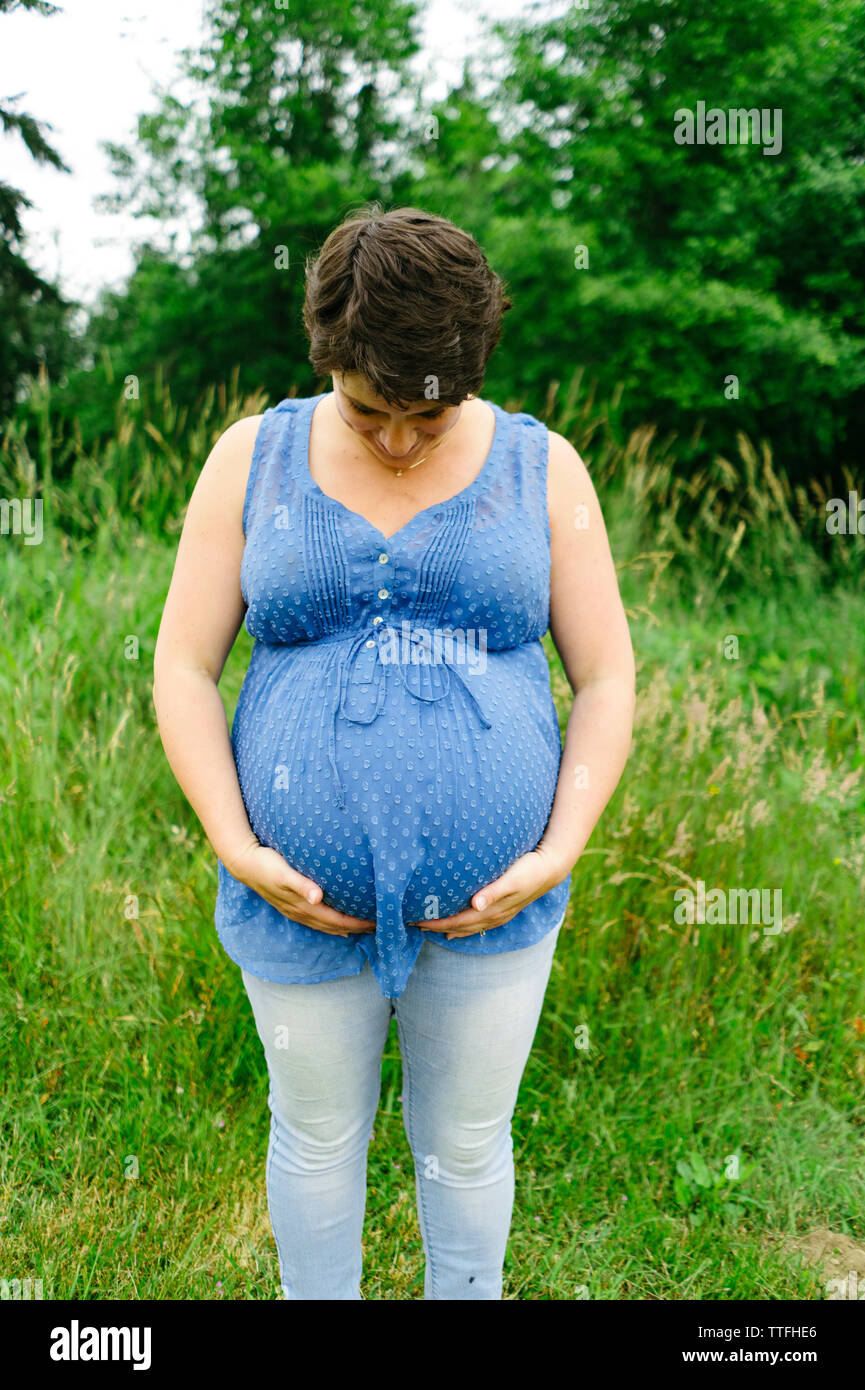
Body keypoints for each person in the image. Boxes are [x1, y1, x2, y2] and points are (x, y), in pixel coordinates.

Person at [152, 205, 635, 1299]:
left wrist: (559, 848)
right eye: (372, 410)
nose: (404, 440)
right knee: (317, 1139)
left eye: (434, 411)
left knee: (466, 1145)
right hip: (296, 900)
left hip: (494, 907)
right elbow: (182, 666)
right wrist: (235, 842)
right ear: (326, 357)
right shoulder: (250, 458)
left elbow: (606, 676)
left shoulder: (543, 470)